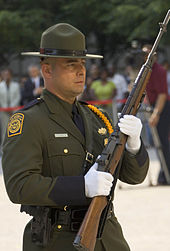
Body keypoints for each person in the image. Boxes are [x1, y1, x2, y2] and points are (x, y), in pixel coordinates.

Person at [2, 23, 149, 251]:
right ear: (47, 70)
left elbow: (133, 177)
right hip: (58, 240)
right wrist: (82, 187)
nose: (81, 71)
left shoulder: (96, 118)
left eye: (82, 63)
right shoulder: (29, 122)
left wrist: (134, 146)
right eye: (71, 65)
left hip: (108, 237)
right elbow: (19, 186)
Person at [142, 44, 170, 185]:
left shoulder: (159, 71)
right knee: (159, 143)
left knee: (163, 143)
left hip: (163, 108)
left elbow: (162, 95)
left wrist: (156, 113)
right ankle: (164, 174)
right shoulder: (146, 70)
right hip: (154, 106)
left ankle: (166, 175)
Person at [0, 68, 21, 146]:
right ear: (2, 75)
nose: (7, 76)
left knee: (15, 130)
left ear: (11, 75)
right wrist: (6, 108)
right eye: (5, 74)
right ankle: (3, 150)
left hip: (14, 111)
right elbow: (1, 100)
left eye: (8, 74)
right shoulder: (0, 86)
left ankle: (15, 148)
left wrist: (11, 108)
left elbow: (18, 97)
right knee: (4, 131)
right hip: (3, 112)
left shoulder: (16, 85)